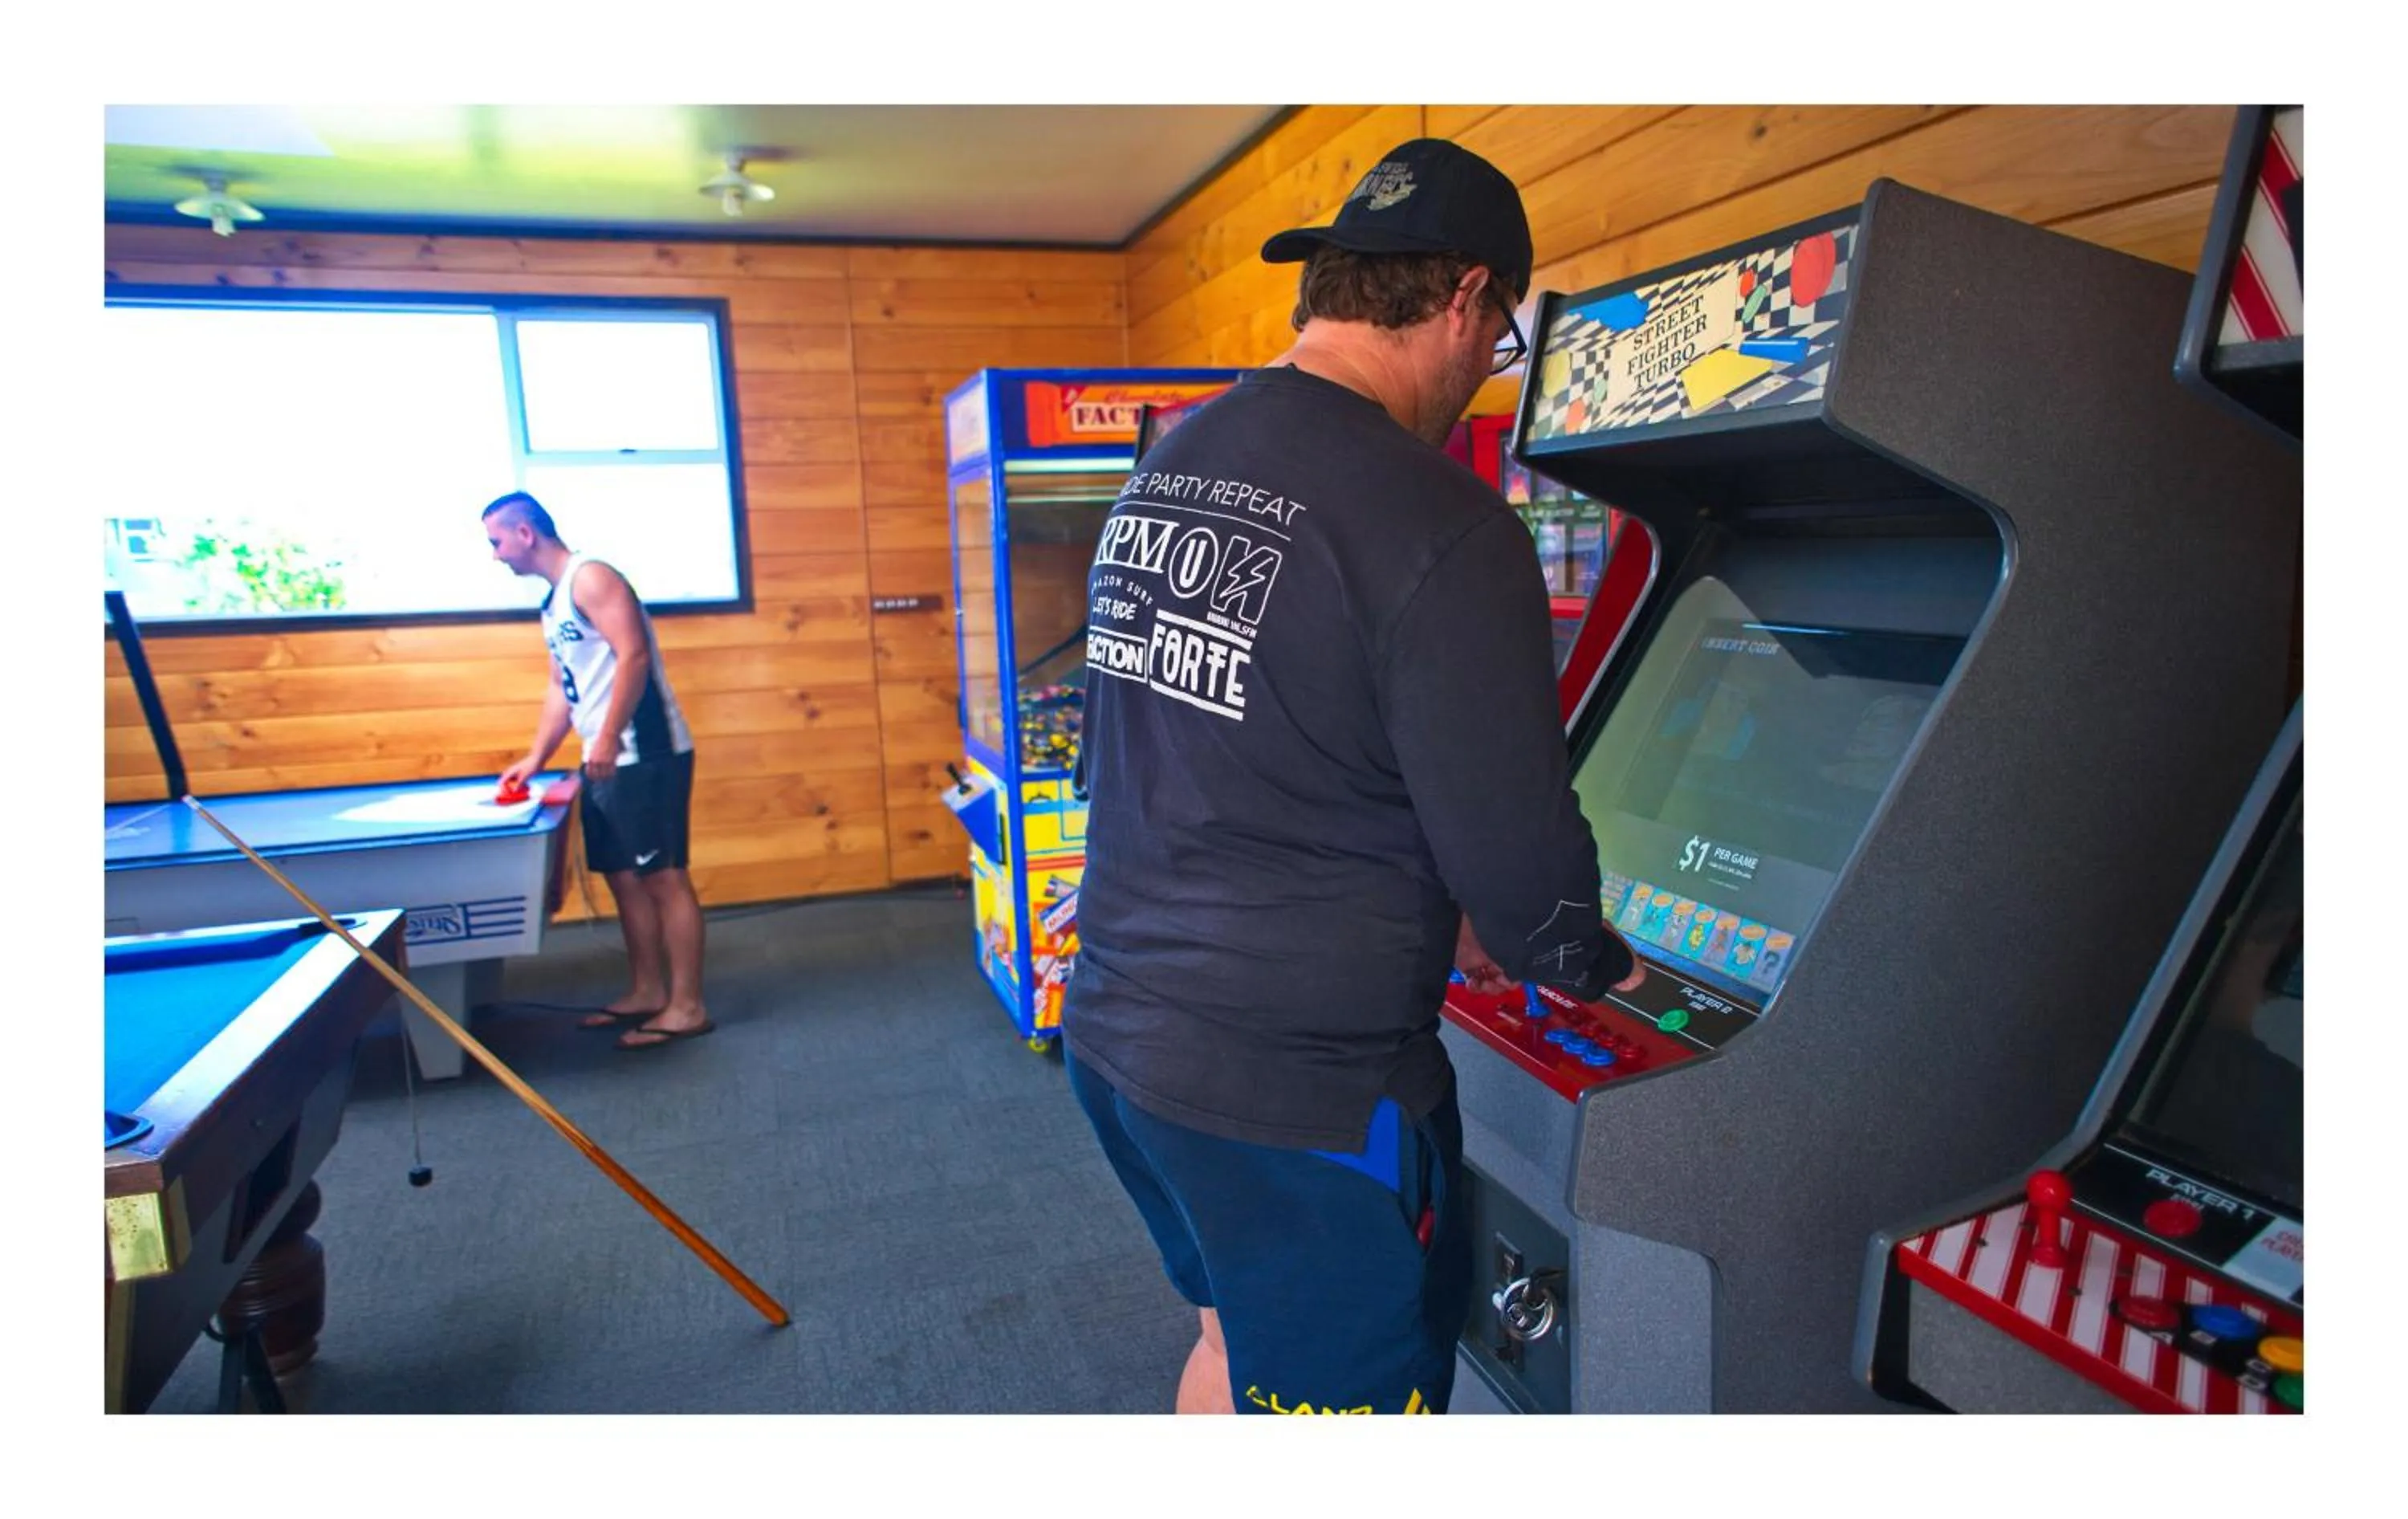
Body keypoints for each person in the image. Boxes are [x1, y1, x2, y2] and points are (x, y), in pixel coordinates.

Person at [1062, 138, 1646, 1415]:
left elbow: (1153, 747)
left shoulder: (1177, 460)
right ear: (1466, 299)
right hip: (1301, 1099)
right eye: (1496, 340)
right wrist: (1596, 966)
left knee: (1232, 1342)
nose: (1481, 371)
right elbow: (1522, 864)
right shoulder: (1442, 522)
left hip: (1118, 1038)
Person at [483, 491, 712, 1051]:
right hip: (603, 757)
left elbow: (632, 655)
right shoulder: (553, 603)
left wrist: (609, 735)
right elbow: (564, 687)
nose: (495, 555)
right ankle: (647, 991)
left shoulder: (592, 578)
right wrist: (537, 756)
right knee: (623, 879)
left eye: (496, 541)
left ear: (525, 534)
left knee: (663, 877)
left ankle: (687, 1007)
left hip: (646, 753)